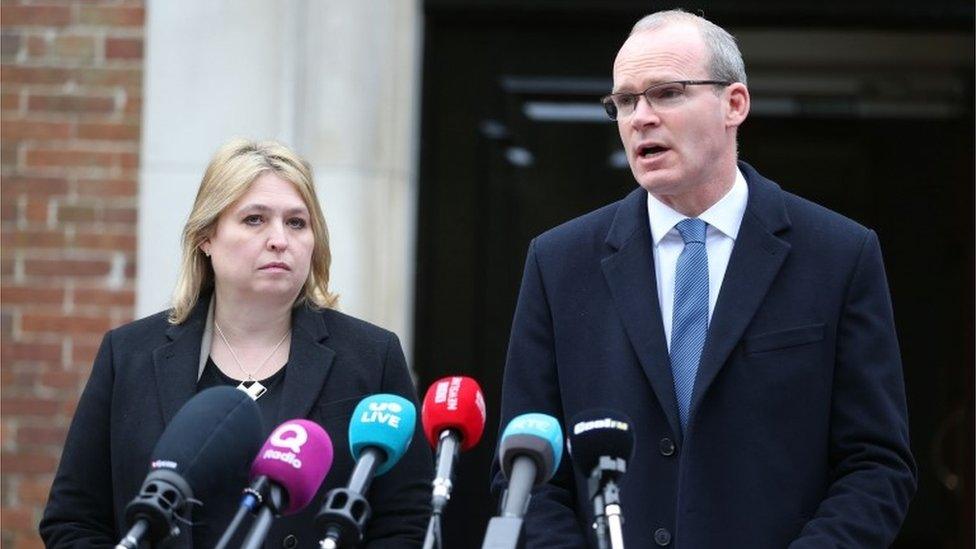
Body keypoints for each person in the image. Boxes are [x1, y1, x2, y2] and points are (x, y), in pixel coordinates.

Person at [493, 9, 916, 548]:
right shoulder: (559, 262)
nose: (640, 117)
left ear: (733, 104)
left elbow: (876, 466)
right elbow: (525, 468)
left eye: (666, 93)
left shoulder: (838, 254)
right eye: (624, 101)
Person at [40, 139, 432, 548]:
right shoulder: (128, 356)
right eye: (254, 219)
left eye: (297, 222)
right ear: (206, 236)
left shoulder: (371, 356)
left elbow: (407, 522)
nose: (280, 239)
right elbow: (73, 521)